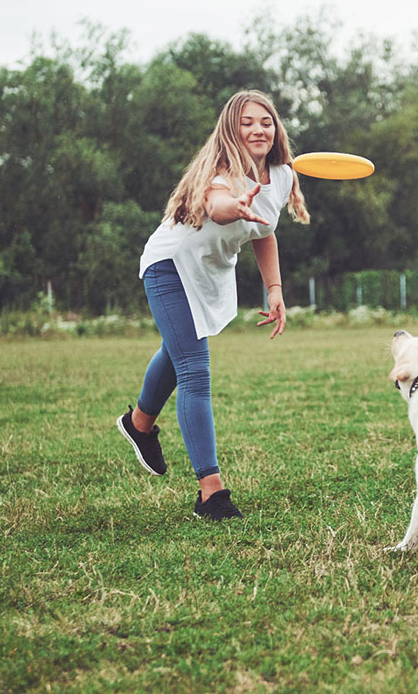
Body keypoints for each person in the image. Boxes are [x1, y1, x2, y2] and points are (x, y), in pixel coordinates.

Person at [116, 90, 310, 521]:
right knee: (193, 367)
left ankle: (139, 424)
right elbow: (217, 203)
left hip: (209, 271)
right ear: (230, 129)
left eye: (265, 121)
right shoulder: (222, 172)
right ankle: (211, 494)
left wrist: (274, 290)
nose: (258, 129)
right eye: (246, 122)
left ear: (276, 128)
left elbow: (265, 233)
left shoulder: (279, 175)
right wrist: (233, 206)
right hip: (169, 266)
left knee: (177, 349)